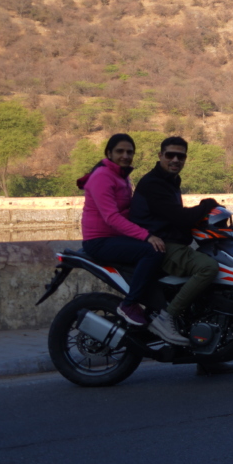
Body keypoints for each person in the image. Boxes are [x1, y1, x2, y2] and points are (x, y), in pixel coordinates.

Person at [130, 137, 233, 375]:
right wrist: (207, 204)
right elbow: (179, 217)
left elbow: (175, 216)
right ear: (160, 155)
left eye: (180, 156)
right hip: (162, 246)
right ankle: (166, 317)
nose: (175, 160)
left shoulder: (170, 181)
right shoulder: (154, 183)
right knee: (208, 268)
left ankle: (207, 355)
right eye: (170, 155)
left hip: (171, 242)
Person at [78, 133, 165, 327]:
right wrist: (147, 236)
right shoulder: (102, 176)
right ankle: (130, 304)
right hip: (99, 240)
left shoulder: (121, 177)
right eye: (120, 151)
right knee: (152, 251)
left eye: (129, 152)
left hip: (115, 237)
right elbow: (112, 217)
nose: (125, 156)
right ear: (109, 153)